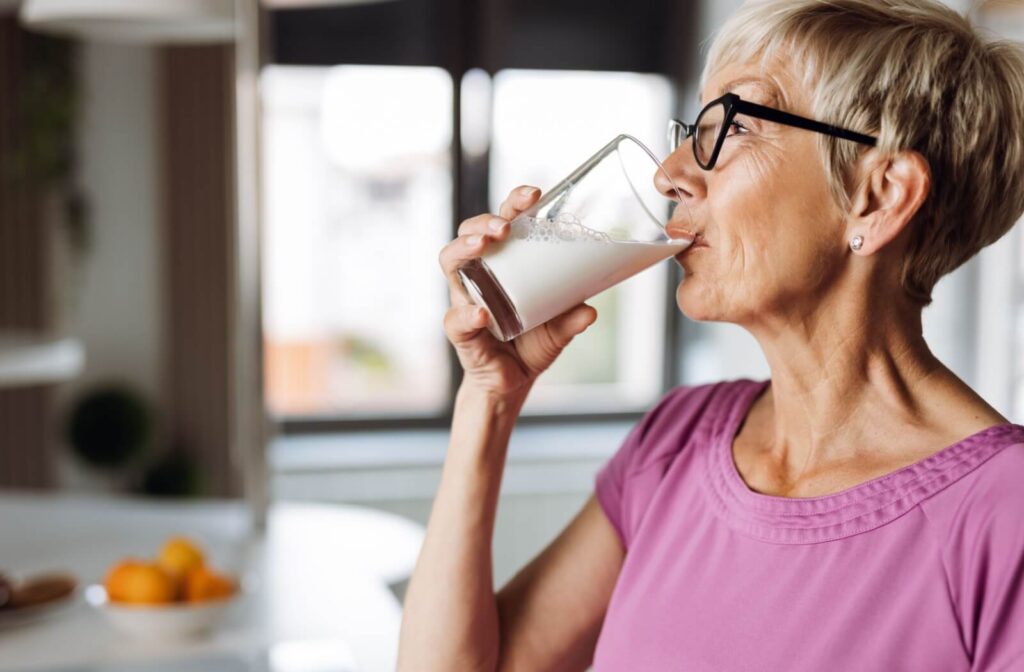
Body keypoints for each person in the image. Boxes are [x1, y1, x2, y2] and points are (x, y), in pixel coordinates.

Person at [398, 0, 1024, 669]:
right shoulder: (678, 440)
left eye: (735, 125)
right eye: (692, 126)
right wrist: (489, 398)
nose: (669, 173)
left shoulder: (1003, 517)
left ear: (879, 196)